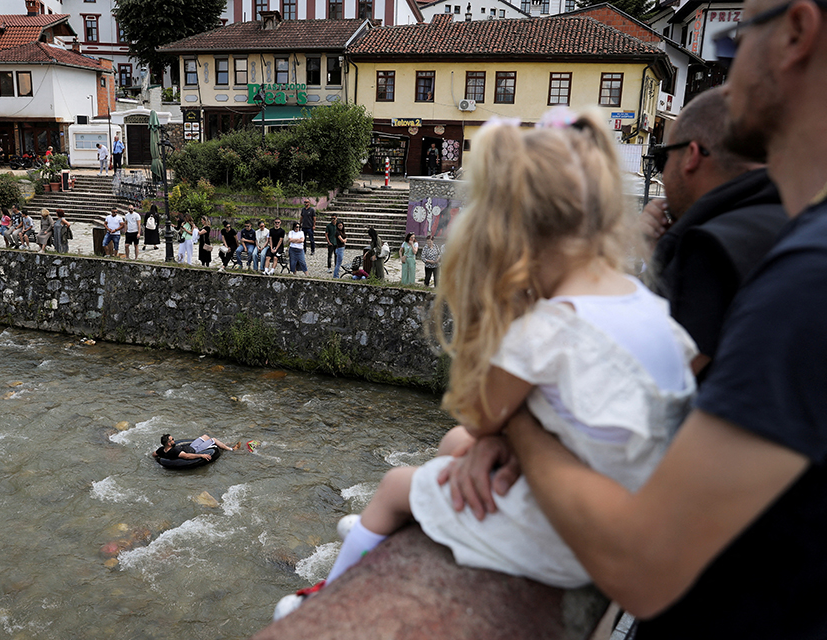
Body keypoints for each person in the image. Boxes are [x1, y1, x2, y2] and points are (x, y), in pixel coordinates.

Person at [443, 5, 827, 637]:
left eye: (739, 32)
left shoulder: (808, 278)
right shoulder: (789, 244)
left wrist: (520, 430)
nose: (724, 71)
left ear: (795, 33)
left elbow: (643, 565)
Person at [274, 109, 697, 620]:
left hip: (568, 543)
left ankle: (326, 598)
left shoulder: (547, 328)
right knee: (455, 447)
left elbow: (480, 414)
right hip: (636, 510)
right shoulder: (651, 306)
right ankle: (396, 532)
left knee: (395, 486)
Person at [641, 88, 787, 374]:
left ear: (690, 156)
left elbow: (657, 377)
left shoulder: (707, 248)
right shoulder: (795, 217)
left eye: (663, 159)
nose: (663, 172)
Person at [151, 433, 238, 462]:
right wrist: (202, 455)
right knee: (213, 440)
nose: (174, 440)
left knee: (205, 436)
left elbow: (154, 454)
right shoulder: (175, 451)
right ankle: (231, 449)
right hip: (196, 450)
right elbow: (187, 456)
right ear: (169, 443)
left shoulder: (161, 450)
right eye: (172, 439)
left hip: (191, 446)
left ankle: (224, 445)